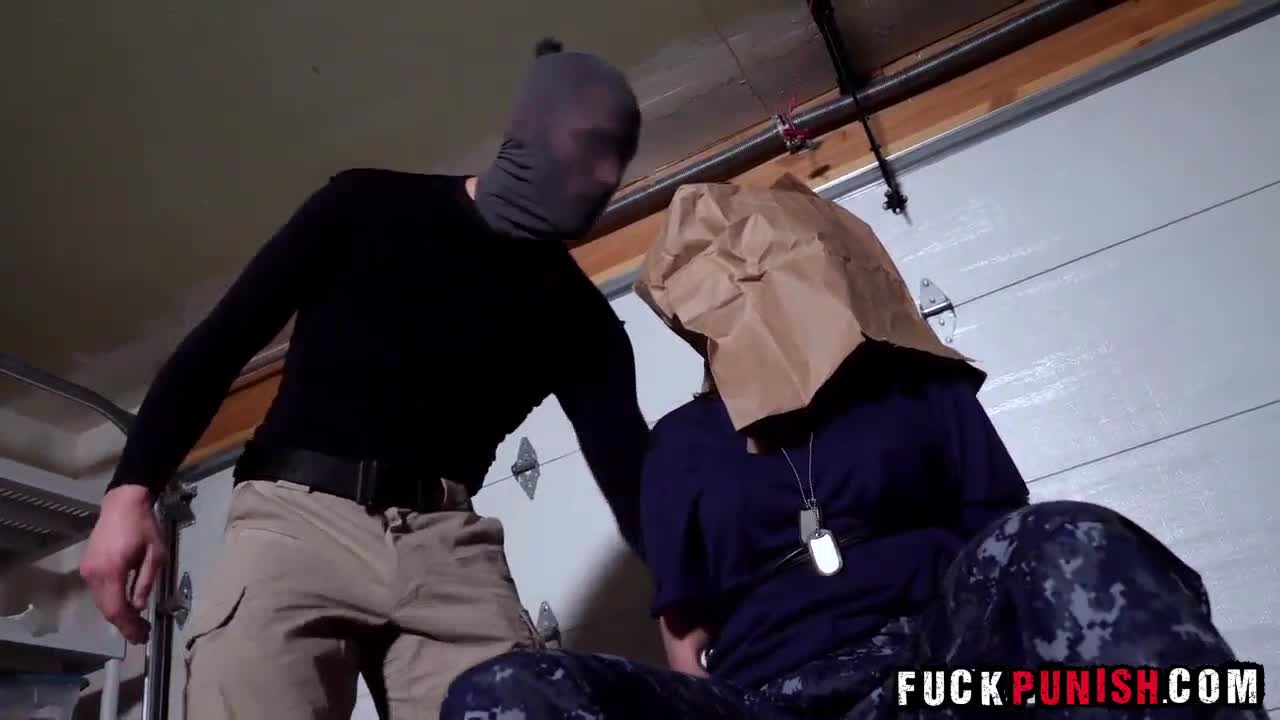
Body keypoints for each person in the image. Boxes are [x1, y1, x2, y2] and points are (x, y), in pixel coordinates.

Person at [78, 38, 649, 719]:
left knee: (523, 704)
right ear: (530, 128)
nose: (606, 175)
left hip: (449, 548)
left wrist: (689, 605)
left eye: (619, 160)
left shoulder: (582, 321)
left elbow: (634, 481)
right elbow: (220, 343)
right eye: (592, 147)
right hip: (296, 521)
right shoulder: (366, 205)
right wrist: (130, 491)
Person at [439, 347, 1263, 718]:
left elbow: (1007, 539)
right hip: (765, 701)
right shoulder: (683, 443)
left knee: (1073, 534)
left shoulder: (915, 383)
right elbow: (683, 636)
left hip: (941, 676)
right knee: (499, 691)